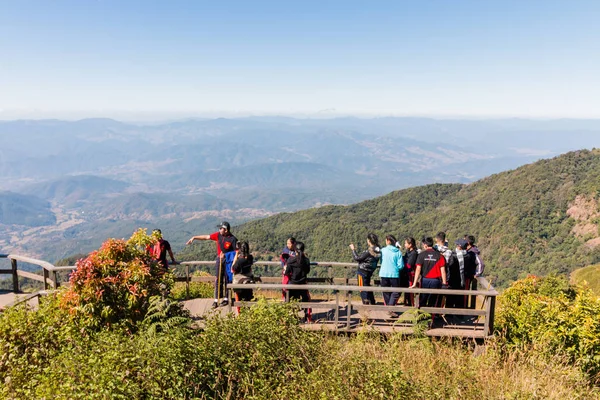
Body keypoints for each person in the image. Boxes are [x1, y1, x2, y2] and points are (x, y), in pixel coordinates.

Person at [186, 221, 238, 308]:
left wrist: (233, 263)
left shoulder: (232, 239)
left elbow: (236, 252)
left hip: (228, 261)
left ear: (226, 230)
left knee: (227, 279)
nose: (219, 229)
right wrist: (194, 237)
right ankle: (216, 300)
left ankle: (226, 298)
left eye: (221, 228)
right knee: (218, 279)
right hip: (219, 259)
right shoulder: (218, 235)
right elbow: (206, 237)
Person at [410, 237, 448, 308]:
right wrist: (444, 284)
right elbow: (443, 271)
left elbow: (418, 270)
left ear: (425, 245)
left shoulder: (421, 255)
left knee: (423, 300)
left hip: (425, 280)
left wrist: (414, 283)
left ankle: (422, 316)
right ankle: (431, 317)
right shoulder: (440, 256)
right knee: (433, 301)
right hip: (436, 281)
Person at [284, 241, 312, 323]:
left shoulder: (291, 260)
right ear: (303, 250)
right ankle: (306, 317)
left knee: (290, 300)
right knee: (305, 299)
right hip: (303, 284)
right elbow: (308, 271)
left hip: (293, 285)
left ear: (295, 250)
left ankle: (292, 317)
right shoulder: (306, 260)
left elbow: (286, 273)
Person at [349, 233, 380, 305]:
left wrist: (353, 250)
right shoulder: (378, 250)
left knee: (362, 288)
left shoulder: (369, 251)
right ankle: (372, 302)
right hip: (369, 271)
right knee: (367, 286)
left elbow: (357, 258)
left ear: (369, 241)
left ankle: (365, 304)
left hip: (362, 271)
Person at [379, 234, 404, 308]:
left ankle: (388, 308)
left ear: (388, 241)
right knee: (395, 291)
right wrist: (396, 269)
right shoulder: (398, 252)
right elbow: (401, 266)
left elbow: (381, 261)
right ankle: (391, 307)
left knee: (385, 291)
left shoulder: (382, 251)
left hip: (384, 273)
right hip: (394, 274)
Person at [231, 241, 255, 310]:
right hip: (249, 280)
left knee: (239, 300)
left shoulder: (239, 261)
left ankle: (240, 315)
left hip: (239, 282)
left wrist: (236, 255)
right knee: (248, 299)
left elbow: (232, 269)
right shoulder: (250, 258)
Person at [400, 237, 418, 306]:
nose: (404, 244)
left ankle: (409, 302)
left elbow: (409, 264)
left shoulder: (413, 253)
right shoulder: (408, 252)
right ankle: (408, 301)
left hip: (409, 274)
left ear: (410, 244)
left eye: (406, 243)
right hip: (406, 273)